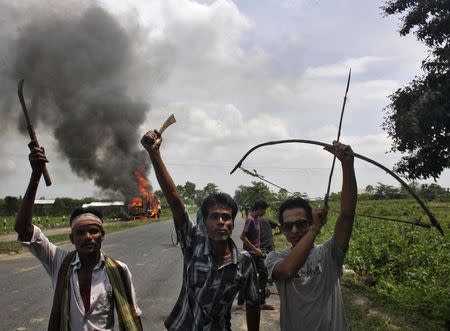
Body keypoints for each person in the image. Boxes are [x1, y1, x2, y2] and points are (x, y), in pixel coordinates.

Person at [141, 129, 260, 331]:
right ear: (204, 223)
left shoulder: (245, 263)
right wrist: (155, 154)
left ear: (233, 221)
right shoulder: (193, 241)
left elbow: (253, 302)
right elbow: (175, 200)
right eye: (214, 216)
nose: (221, 221)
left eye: (226, 217)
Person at [15, 146, 142, 331]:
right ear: (72, 238)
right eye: (80, 233)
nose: (88, 237)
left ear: (102, 235)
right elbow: (23, 229)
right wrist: (35, 175)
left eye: (93, 231)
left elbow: (133, 316)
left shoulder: (119, 270)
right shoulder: (58, 262)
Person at [265, 141, 357, 331]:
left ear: (309, 222)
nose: (295, 231)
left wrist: (347, 165)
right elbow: (288, 270)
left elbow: (347, 215)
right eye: (288, 226)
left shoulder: (329, 253)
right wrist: (314, 229)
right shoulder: (275, 259)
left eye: (301, 224)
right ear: (282, 230)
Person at [240, 200, 275, 310]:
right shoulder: (250, 220)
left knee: (264, 274)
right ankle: (241, 303)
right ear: (259, 208)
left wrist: (259, 250)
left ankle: (261, 302)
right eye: (264, 209)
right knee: (247, 277)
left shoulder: (257, 219)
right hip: (250, 254)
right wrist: (255, 249)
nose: (265, 212)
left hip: (258, 253)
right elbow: (242, 237)